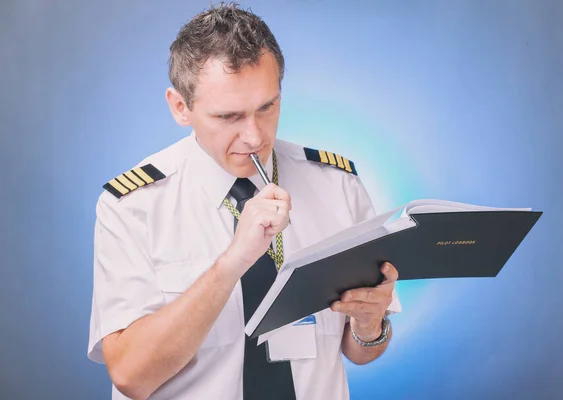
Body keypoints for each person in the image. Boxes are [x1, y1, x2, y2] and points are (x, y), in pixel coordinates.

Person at [87, 3, 402, 400]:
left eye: (267, 107)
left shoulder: (337, 185)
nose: (254, 137)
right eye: (228, 116)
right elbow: (132, 376)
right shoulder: (133, 205)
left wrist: (370, 325)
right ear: (180, 107)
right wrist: (234, 261)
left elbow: (361, 352)